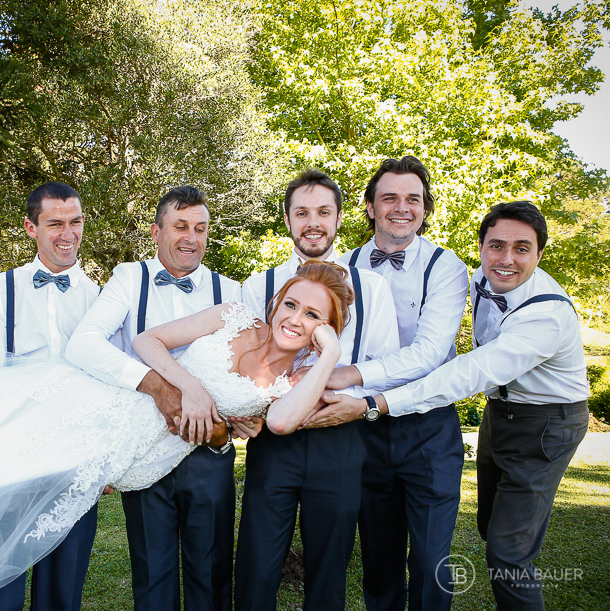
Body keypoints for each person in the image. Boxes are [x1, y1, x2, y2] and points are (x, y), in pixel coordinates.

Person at [0, 262, 351, 611]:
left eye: (313, 316)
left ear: (327, 328)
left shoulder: (299, 380)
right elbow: (148, 341)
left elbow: (280, 422)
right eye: (291, 304)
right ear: (276, 302)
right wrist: (187, 387)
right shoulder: (233, 316)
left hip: (130, 456)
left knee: (6, 496)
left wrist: (328, 352)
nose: (295, 318)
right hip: (99, 406)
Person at [365, 201, 589, 611]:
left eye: (522, 248)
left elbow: (472, 371)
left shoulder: (547, 316)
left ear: (540, 254)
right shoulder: (480, 279)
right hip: (499, 415)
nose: (506, 259)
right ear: (482, 247)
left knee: (509, 552)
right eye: (496, 246)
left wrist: (380, 402)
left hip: (548, 423)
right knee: (488, 526)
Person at [65, 185, 246, 611]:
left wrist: (246, 410)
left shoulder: (232, 291)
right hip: (144, 450)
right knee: (153, 576)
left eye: (200, 228)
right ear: (156, 232)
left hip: (208, 448)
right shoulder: (130, 278)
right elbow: (83, 344)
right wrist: (156, 385)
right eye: (180, 226)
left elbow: (248, 366)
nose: (191, 238)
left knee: (212, 575)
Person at [236, 169, 400, 610]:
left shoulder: (373, 287)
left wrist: (351, 395)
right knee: (256, 563)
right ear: (287, 219)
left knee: (329, 571)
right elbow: (244, 360)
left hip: (341, 439)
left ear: (339, 218)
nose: (313, 223)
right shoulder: (258, 286)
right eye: (302, 212)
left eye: (324, 212)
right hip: (273, 441)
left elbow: (388, 365)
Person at [323, 156, 470, 610]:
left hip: (427, 426)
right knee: (378, 558)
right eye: (389, 198)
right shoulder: (341, 266)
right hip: (363, 429)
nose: (401, 208)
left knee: (430, 559)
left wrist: (352, 375)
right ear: (370, 207)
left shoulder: (445, 267)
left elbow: (428, 354)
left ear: (425, 209)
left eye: (413, 199)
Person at [0, 182, 101, 611]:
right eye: (55, 224)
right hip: (11, 458)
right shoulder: (0, 290)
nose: (68, 233)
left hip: (75, 460)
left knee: (62, 591)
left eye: (75, 222)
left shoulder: (100, 296)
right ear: (31, 228)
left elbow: (107, 381)